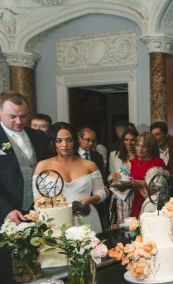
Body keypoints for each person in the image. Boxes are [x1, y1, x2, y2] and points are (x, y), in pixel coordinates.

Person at [33, 122, 105, 233]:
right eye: (59, 141)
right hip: (57, 221)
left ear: (75, 141)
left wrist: (90, 199)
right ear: (53, 142)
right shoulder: (43, 165)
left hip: (86, 216)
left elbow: (101, 192)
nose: (64, 145)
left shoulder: (90, 165)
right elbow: (38, 198)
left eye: (68, 140)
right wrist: (60, 207)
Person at [0, 91, 50, 224]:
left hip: (38, 212)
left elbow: (49, 168)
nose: (19, 121)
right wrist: (6, 209)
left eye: (23, 116)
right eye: (12, 117)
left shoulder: (38, 136)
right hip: (7, 214)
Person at [127, 132, 166, 218]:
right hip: (136, 201)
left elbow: (162, 188)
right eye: (138, 145)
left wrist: (141, 183)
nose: (140, 149)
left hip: (153, 203)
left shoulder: (158, 162)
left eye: (144, 147)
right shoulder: (133, 161)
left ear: (151, 148)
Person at [107, 128, 138, 228]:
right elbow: (109, 175)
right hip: (119, 196)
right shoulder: (114, 155)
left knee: (133, 225)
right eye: (126, 139)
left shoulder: (140, 156)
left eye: (132, 140)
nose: (129, 143)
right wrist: (112, 177)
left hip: (134, 195)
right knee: (119, 226)